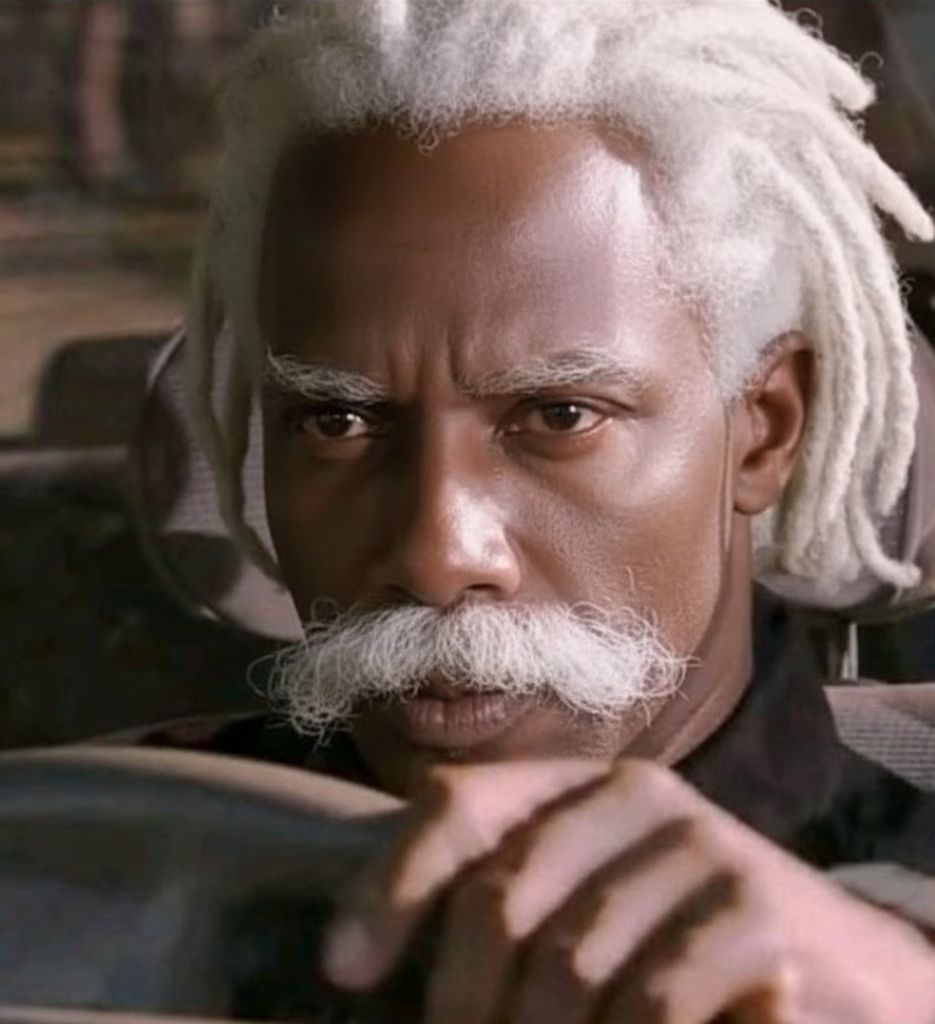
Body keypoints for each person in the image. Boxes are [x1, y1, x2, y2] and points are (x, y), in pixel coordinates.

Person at [170, 0, 935, 1019]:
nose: (438, 553)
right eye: (336, 421)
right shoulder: (111, 867)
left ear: (763, 431)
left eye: (559, 415)